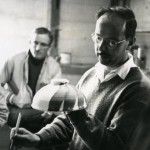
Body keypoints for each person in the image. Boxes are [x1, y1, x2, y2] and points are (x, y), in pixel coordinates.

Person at [10, 6, 150, 150]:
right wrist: (38, 137)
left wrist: (78, 114)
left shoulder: (139, 89)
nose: (101, 47)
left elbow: (114, 145)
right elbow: (68, 122)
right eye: (98, 38)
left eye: (112, 42)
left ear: (130, 42)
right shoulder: (90, 74)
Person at [0, 27, 62, 133]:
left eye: (43, 44)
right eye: (35, 43)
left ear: (49, 47)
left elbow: (58, 94)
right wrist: (11, 98)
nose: (37, 48)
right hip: (15, 110)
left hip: (39, 111)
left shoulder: (54, 66)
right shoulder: (14, 60)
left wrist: (50, 109)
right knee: (25, 119)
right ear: (29, 42)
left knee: (56, 119)